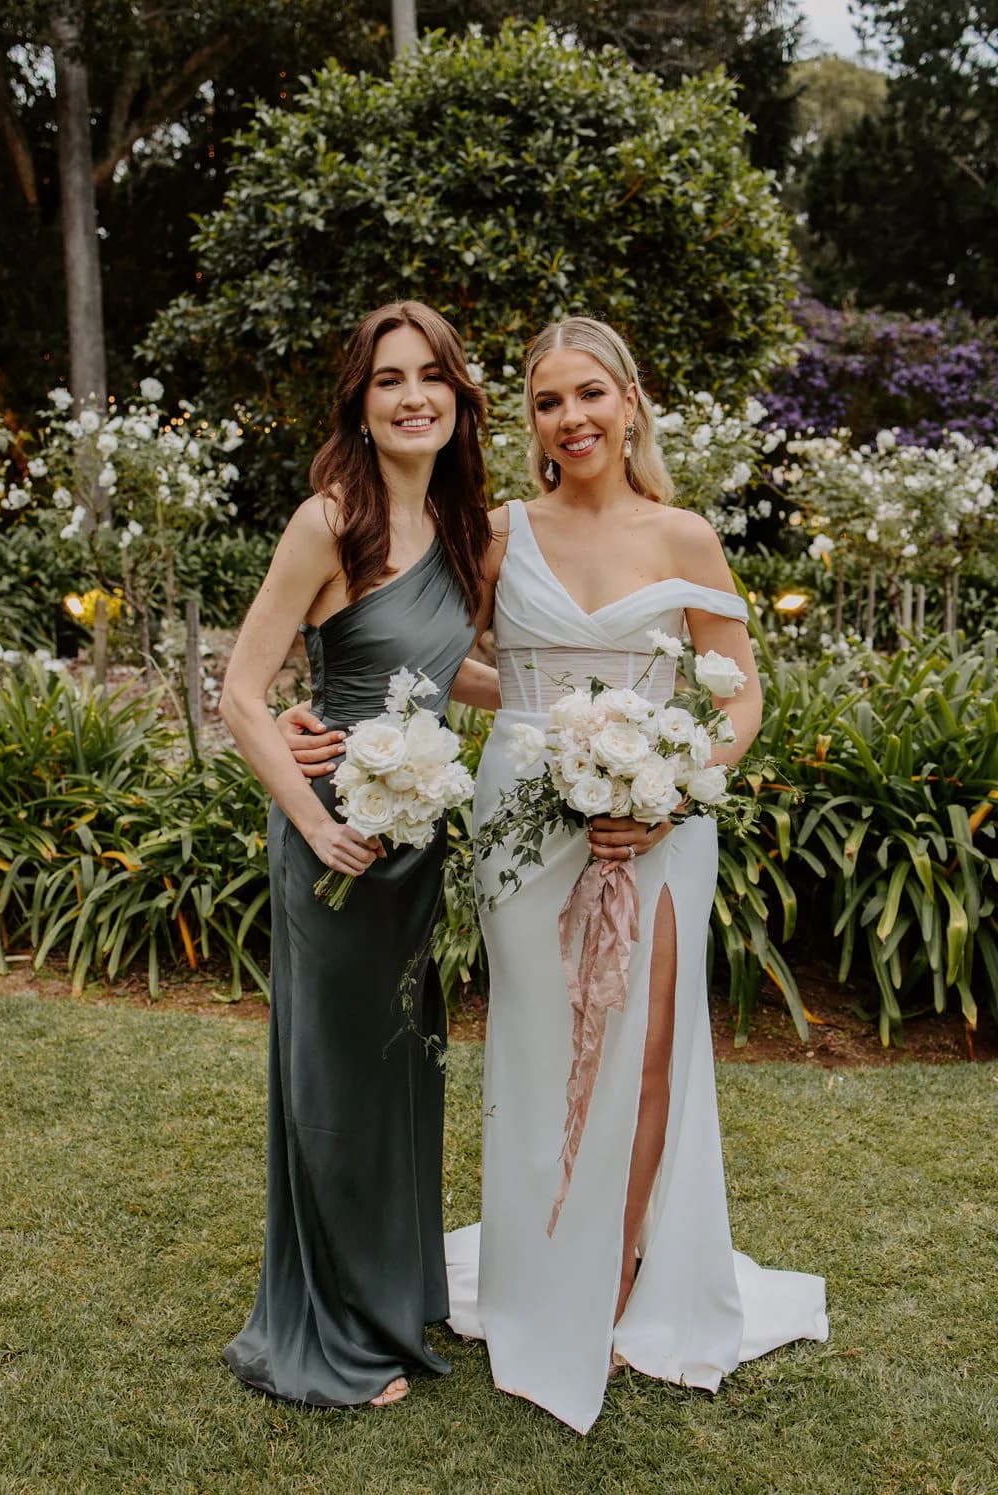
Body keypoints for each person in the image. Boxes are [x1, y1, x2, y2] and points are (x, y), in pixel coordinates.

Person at [285, 315, 828, 1434]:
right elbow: (426, 652)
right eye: (546, 401)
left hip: (660, 824)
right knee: (537, 1051)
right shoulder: (493, 533)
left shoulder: (684, 538)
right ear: (527, 420)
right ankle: (540, 1275)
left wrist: (675, 784)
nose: (570, 418)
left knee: (649, 1050)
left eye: (589, 394)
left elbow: (738, 692)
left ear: (629, 400)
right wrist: (321, 710)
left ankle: (622, 1281)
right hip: (522, 825)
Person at [218, 300, 497, 1409]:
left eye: (431, 375)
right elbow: (242, 694)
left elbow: (444, 672)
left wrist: (572, 700)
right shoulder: (327, 519)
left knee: (400, 1068)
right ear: (361, 401)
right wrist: (310, 815)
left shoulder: (463, 528)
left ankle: (391, 1291)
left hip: (412, 839)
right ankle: (326, 1332)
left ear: (456, 397)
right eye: (389, 379)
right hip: (333, 836)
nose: (412, 395)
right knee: (334, 1080)